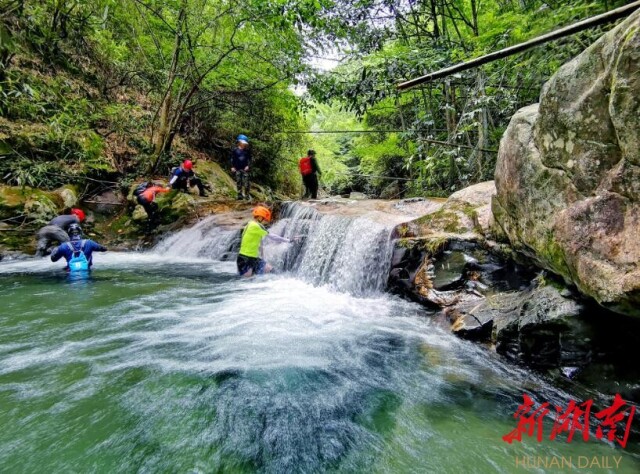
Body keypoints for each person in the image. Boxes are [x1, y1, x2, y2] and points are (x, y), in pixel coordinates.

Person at [237, 205, 291, 277]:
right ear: (260, 217)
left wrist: (262, 258)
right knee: (247, 282)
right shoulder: (256, 226)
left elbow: (259, 244)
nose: (265, 222)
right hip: (245, 259)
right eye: (265, 219)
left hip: (253, 258)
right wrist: (288, 240)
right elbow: (272, 236)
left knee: (272, 271)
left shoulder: (249, 224)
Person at [231, 134, 252, 200]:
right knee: (238, 182)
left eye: (245, 143)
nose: (244, 144)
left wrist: (248, 166)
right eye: (243, 143)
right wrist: (232, 167)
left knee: (246, 183)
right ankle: (239, 195)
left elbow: (250, 159)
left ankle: (247, 196)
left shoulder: (247, 151)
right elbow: (232, 159)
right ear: (239, 142)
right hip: (237, 169)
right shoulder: (235, 150)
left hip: (245, 169)